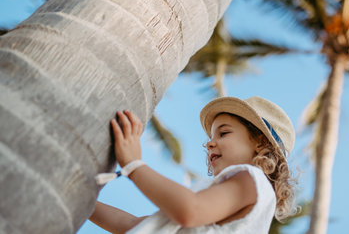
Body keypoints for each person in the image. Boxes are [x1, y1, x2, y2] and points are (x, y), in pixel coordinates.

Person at [89, 96, 298, 233]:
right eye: (210, 136)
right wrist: (85, 201)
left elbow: (190, 210)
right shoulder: (228, 195)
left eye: (224, 133)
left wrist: (133, 165)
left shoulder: (253, 180)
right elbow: (133, 225)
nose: (209, 143)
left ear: (260, 142)